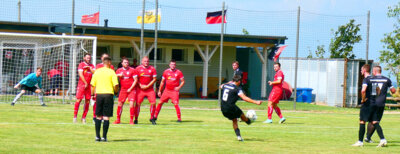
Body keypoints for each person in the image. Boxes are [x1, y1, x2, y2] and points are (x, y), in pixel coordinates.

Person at [220, 75, 262, 141]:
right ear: (239, 81)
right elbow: (244, 98)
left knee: (234, 120)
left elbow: (221, 86)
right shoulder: (237, 89)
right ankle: (248, 121)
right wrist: (256, 102)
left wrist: (228, 83)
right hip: (231, 107)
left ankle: (239, 137)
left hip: (223, 108)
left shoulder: (225, 86)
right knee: (241, 114)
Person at [366, 66, 396, 147]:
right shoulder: (387, 79)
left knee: (373, 121)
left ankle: (380, 139)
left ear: (375, 71)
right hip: (381, 103)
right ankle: (368, 137)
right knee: (375, 121)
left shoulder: (371, 79)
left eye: (373, 71)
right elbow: (393, 91)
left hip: (373, 102)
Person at [90, 57, 119, 142]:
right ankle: (104, 137)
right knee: (106, 117)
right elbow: (116, 85)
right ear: (109, 62)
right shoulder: (111, 72)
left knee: (98, 116)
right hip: (108, 95)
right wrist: (116, 92)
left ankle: (97, 137)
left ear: (103, 62)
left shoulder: (97, 72)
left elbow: (92, 85)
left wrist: (92, 94)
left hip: (99, 94)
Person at [352, 64, 373, 147]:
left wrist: (363, 99)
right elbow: (377, 91)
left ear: (364, 70)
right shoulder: (373, 79)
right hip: (373, 102)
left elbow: (363, 91)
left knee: (362, 121)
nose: (360, 71)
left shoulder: (366, 79)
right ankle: (381, 139)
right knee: (374, 121)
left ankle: (360, 141)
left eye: (361, 70)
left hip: (367, 104)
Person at [113, 58, 138, 125]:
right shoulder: (119, 70)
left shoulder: (132, 70)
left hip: (131, 89)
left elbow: (135, 80)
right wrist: (118, 75)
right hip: (123, 89)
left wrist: (130, 88)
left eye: (127, 62)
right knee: (120, 103)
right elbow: (113, 77)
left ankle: (131, 120)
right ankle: (118, 119)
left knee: (132, 104)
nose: (126, 63)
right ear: (122, 63)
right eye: (125, 62)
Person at [93, 53, 115, 123]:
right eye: (104, 57)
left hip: (108, 89)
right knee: (97, 103)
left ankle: (102, 118)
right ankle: (95, 116)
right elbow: (95, 76)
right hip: (99, 88)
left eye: (107, 57)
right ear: (101, 58)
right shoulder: (98, 66)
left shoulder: (111, 67)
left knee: (105, 107)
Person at [73, 53, 95, 124]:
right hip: (82, 84)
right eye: (87, 58)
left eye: (89, 58)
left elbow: (94, 73)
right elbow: (80, 74)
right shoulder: (81, 64)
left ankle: (83, 118)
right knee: (78, 100)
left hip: (89, 86)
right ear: (84, 58)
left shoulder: (92, 66)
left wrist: (90, 69)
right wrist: (85, 82)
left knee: (88, 101)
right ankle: (75, 117)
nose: (89, 59)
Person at [135, 56, 157, 125]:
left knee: (153, 103)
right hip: (140, 89)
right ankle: (136, 119)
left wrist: (147, 86)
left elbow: (154, 79)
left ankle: (152, 118)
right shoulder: (138, 68)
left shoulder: (152, 69)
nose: (146, 62)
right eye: (145, 61)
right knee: (138, 104)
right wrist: (140, 85)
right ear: (142, 61)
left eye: (147, 61)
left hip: (149, 89)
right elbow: (135, 79)